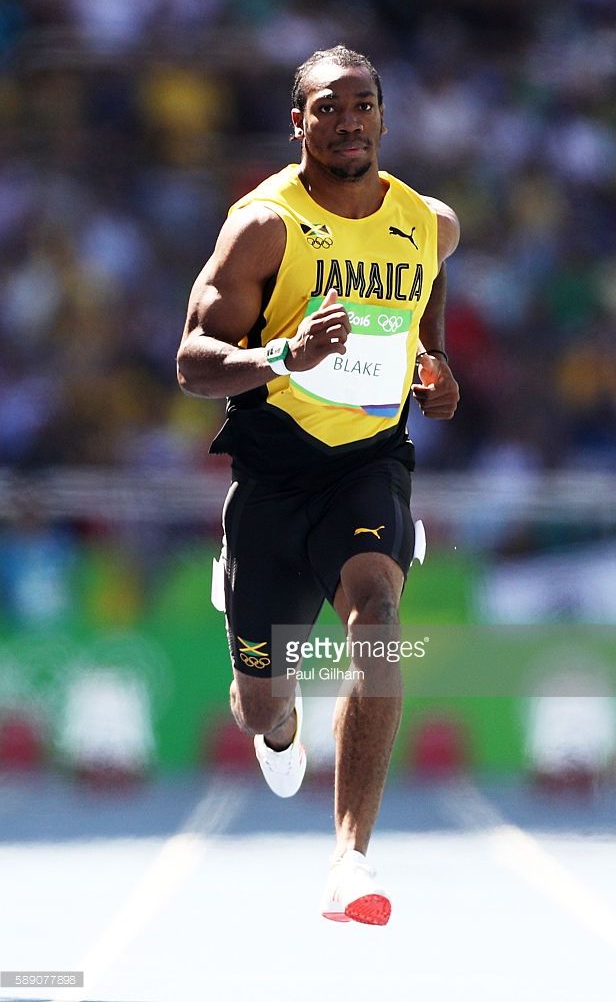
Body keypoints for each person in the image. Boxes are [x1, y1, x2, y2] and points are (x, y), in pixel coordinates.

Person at [176, 45, 460, 925]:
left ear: (382, 116)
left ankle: (350, 862)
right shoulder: (263, 224)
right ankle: (281, 714)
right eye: (327, 108)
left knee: (377, 619)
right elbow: (191, 361)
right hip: (273, 470)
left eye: (362, 105)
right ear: (297, 122)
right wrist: (281, 356)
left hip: (367, 466)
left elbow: (427, 319)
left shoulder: (428, 222)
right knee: (260, 702)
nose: (347, 121)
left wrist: (436, 373)